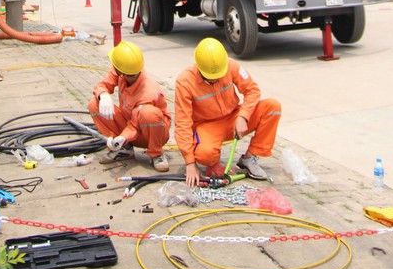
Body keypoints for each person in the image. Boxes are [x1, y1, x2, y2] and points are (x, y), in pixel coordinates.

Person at [175, 37, 281, 186]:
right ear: (199, 68)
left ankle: (249, 158)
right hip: (208, 126)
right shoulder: (184, 82)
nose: (215, 79)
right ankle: (213, 164)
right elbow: (182, 123)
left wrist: (243, 116)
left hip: (234, 116)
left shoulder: (230, 65)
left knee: (272, 107)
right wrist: (190, 164)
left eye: (218, 76)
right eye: (211, 78)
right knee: (205, 154)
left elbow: (252, 90)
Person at [88, 40, 171, 172]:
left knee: (148, 113)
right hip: (129, 126)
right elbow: (102, 85)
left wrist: (123, 137)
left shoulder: (148, 90)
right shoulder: (123, 70)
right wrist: (103, 95)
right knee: (94, 104)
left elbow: (134, 124)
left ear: (124, 72)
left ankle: (156, 154)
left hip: (150, 134)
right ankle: (124, 149)